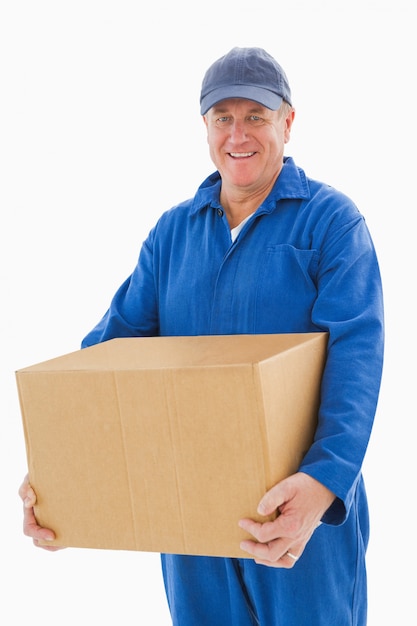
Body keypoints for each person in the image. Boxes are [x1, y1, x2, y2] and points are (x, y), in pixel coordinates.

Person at [19, 46, 384, 625]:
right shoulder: (173, 233)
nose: (238, 134)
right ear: (205, 127)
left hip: (298, 510)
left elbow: (356, 361)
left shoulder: (331, 222)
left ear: (288, 123)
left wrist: (321, 484)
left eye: (256, 117)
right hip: (189, 509)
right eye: (223, 118)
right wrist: (64, 474)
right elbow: (110, 356)